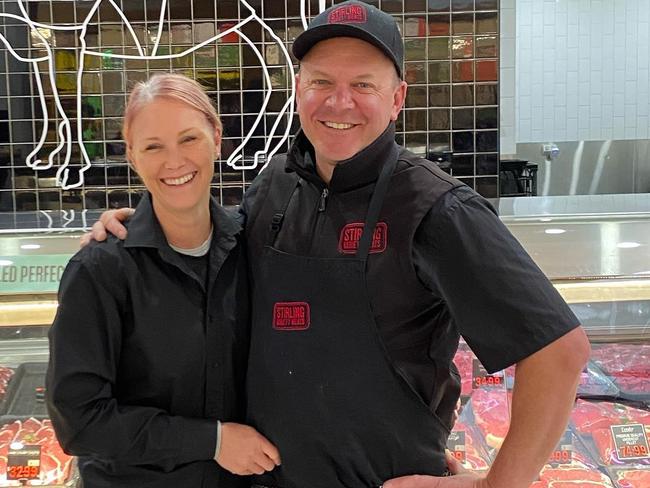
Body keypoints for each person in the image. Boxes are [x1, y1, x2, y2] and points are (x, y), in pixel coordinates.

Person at [88, 2, 591, 488]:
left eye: (363, 85)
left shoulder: (436, 209)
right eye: (321, 82)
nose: (338, 101)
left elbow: (558, 350)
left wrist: (497, 485)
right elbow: (211, 247)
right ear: (299, 89)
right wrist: (146, 220)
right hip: (267, 478)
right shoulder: (277, 183)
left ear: (397, 99)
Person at [47, 73, 280, 488]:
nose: (175, 161)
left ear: (217, 138)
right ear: (133, 157)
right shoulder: (100, 271)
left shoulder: (256, 249)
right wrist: (212, 442)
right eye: (154, 147)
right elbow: (80, 421)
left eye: (189, 139)